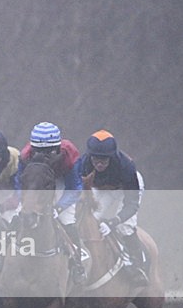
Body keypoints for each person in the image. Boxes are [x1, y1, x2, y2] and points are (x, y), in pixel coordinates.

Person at [17, 122, 86, 284]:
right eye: (39, 152)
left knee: (67, 220)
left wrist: (59, 206)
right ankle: (2, 255)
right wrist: (25, 202)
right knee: (18, 214)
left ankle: (77, 263)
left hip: (61, 181)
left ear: (57, 149)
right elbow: (20, 183)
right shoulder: (25, 156)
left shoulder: (69, 156)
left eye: (48, 152)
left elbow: (75, 187)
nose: (43, 156)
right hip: (37, 183)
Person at [77, 129, 148, 286]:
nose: (100, 164)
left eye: (104, 160)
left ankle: (137, 264)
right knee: (91, 220)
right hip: (103, 188)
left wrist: (113, 222)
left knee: (125, 226)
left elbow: (132, 204)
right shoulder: (82, 165)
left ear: (112, 157)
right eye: (96, 159)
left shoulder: (126, 167)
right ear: (90, 156)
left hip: (125, 189)